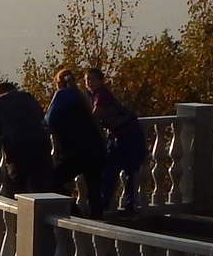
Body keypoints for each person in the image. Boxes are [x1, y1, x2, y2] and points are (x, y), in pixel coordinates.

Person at [85, 67, 148, 218]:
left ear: (101, 81)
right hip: (116, 135)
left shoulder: (102, 95)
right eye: (87, 80)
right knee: (109, 170)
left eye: (93, 79)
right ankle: (103, 204)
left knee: (130, 170)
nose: (89, 82)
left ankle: (130, 206)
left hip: (130, 133)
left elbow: (94, 116)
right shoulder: (92, 96)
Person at [45, 67, 107, 215]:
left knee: (52, 181)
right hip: (96, 148)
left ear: (58, 83)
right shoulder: (80, 96)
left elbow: (49, 120)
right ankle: (98, 223)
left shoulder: (62, 94)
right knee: (94, 191)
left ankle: (75, 213)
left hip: (77, 152)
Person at [0, 81, 52, 194]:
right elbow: (41, 116)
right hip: (40, 144)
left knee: (18, 185)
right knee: (44, 185)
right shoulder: (28, 97)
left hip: (17, 148)